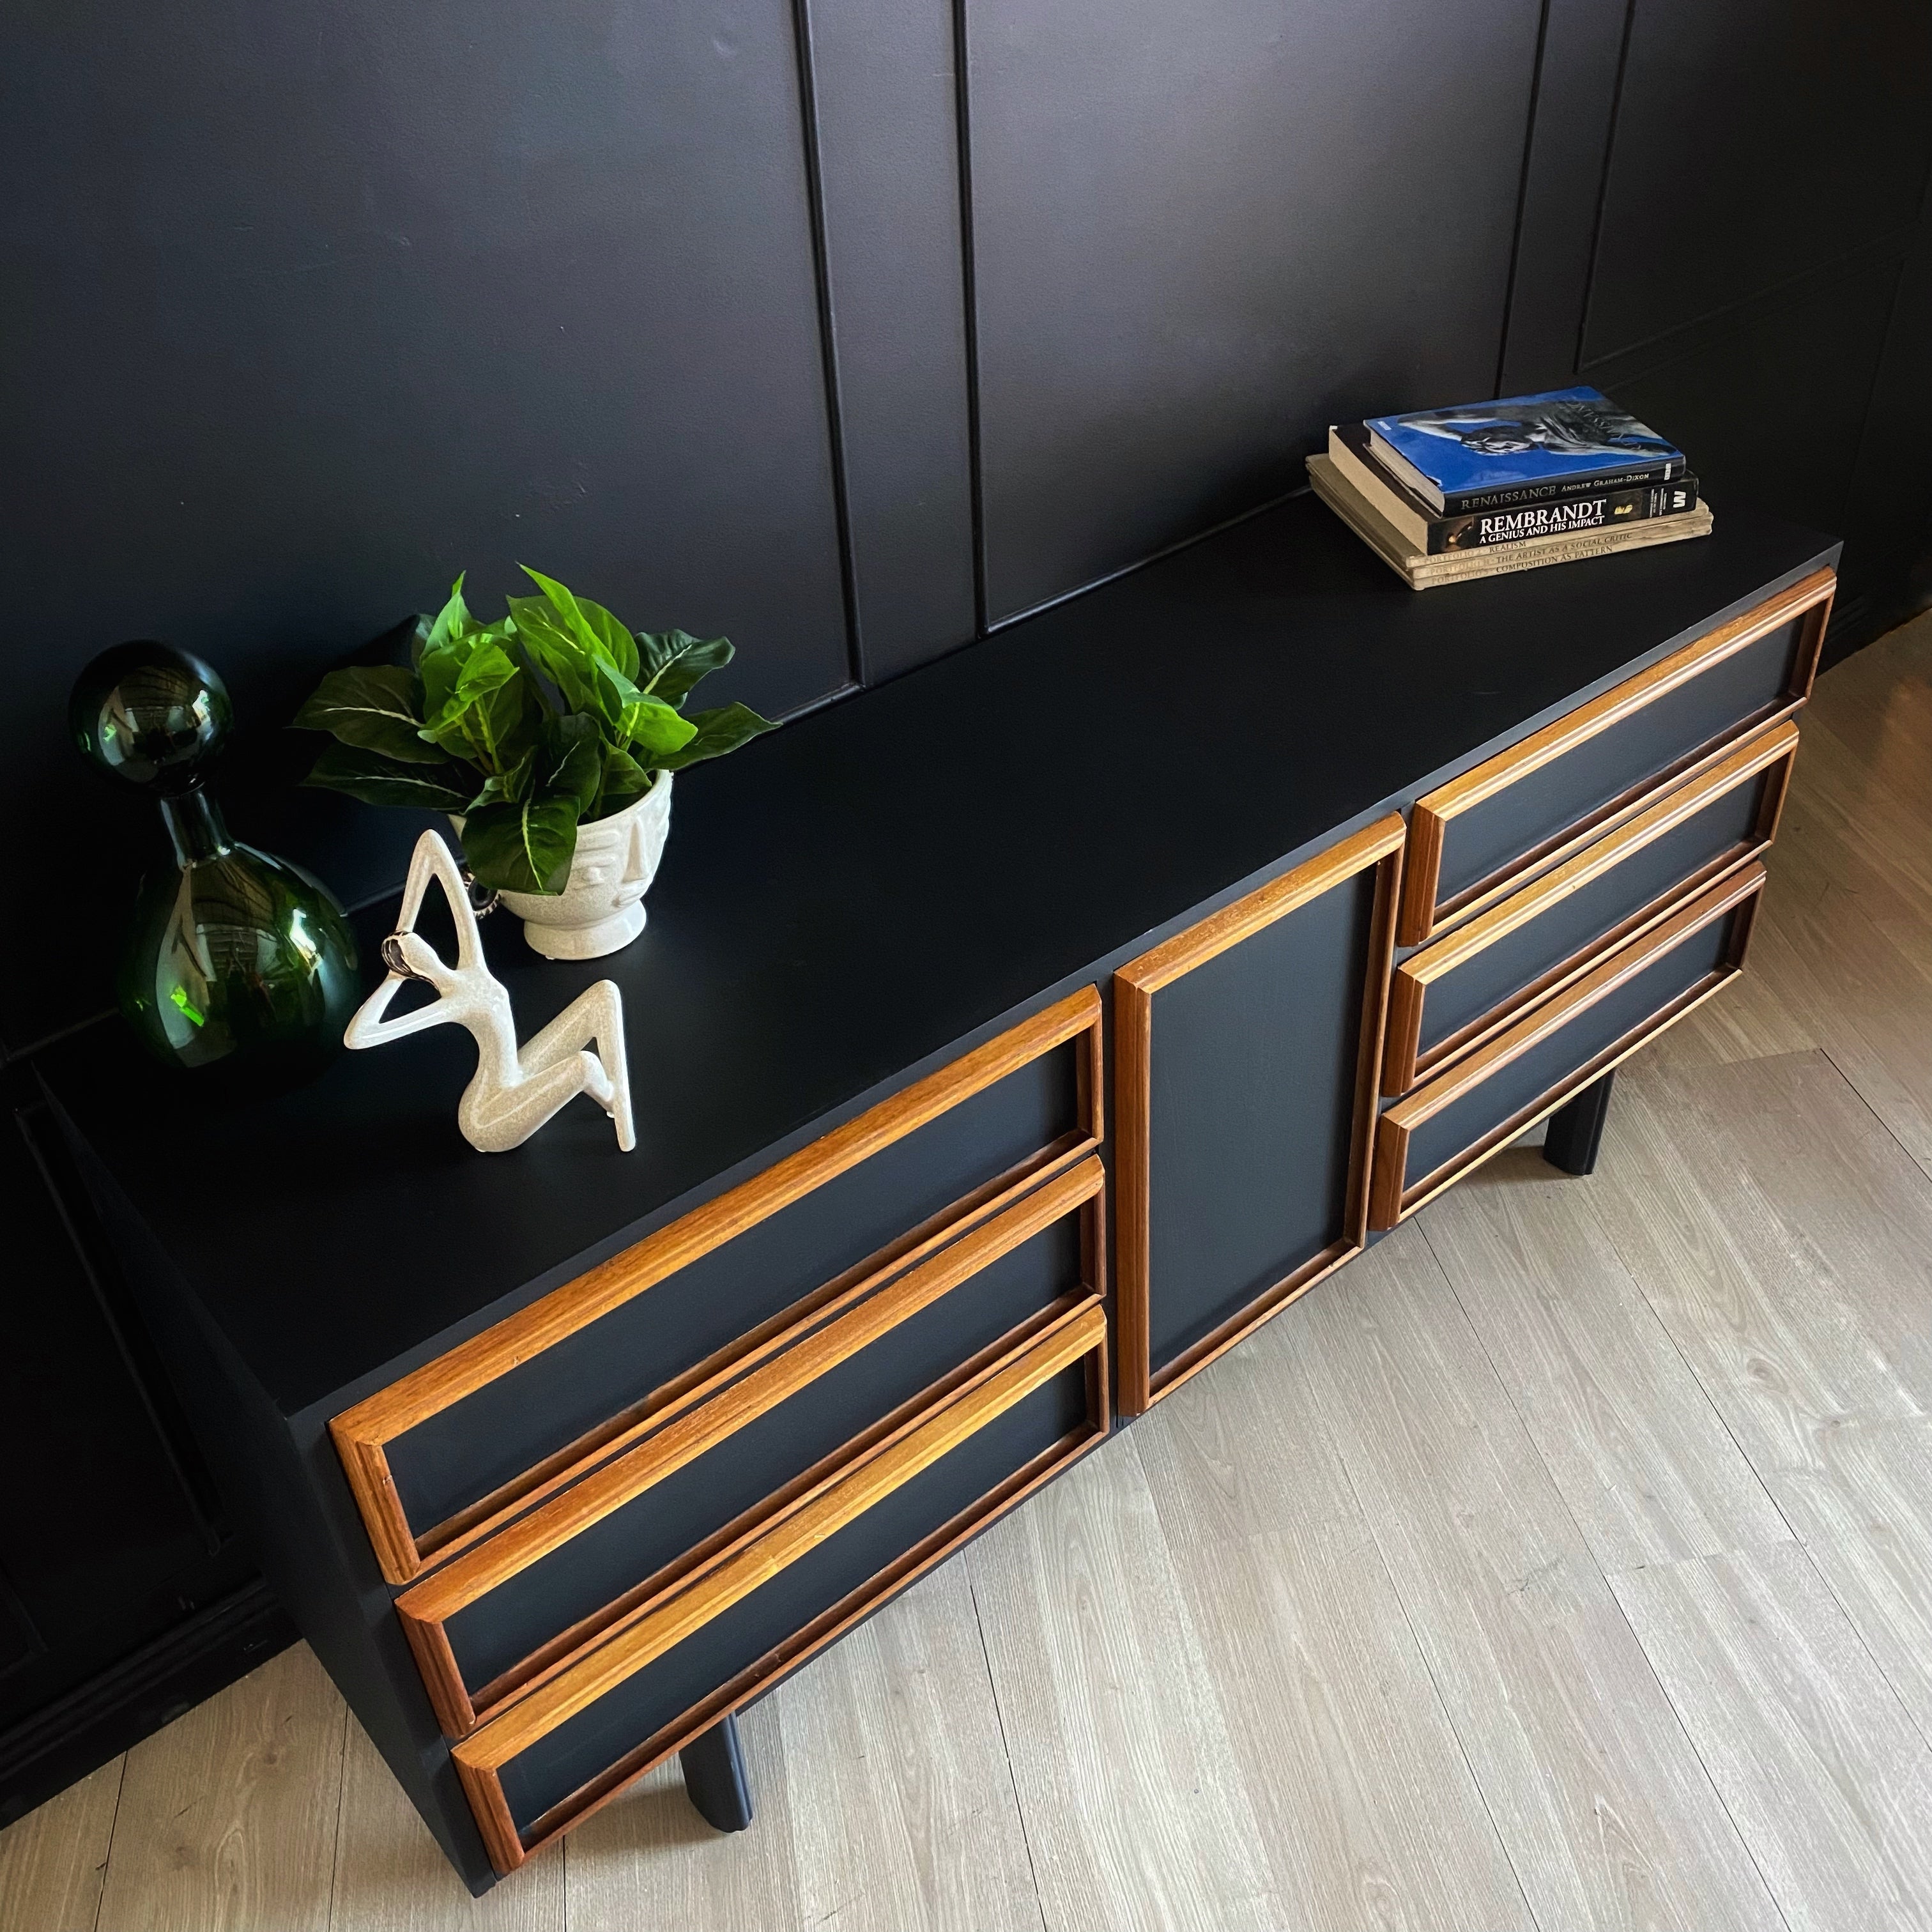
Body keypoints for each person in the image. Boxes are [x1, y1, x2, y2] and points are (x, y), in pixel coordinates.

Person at [344, 832, 635, 1153]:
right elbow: (359, 1037)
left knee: (603, 995)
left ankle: (617, 1100)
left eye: (415, 940)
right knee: (585, 1066)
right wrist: (392, 979)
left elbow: (430, 846)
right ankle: (613, 1099)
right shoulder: (449, 1004)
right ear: (413, 970)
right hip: (487, 1117)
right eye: (410, 954)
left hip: (518, 1074)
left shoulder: (472, 961)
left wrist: (405, 922)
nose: (418, 945)